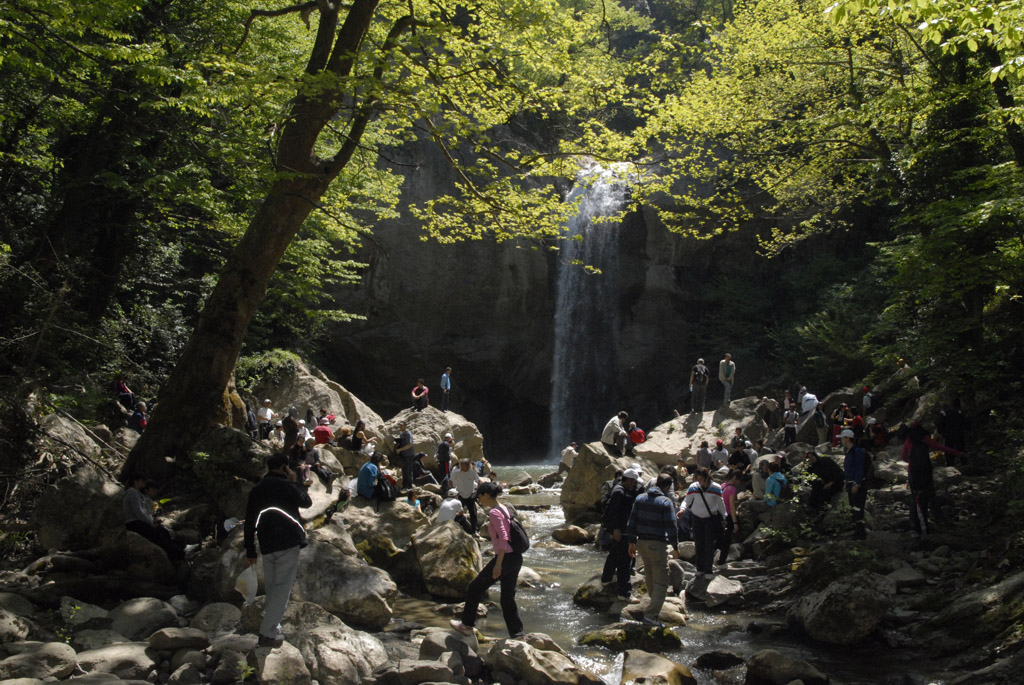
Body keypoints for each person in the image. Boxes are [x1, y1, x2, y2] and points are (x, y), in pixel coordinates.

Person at [244, 453, 312, 647]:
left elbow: (249, 521)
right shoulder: (288, 485)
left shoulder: (258, 489)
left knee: (273, 587)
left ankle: (275, 627)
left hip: (266, 543)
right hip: (288, 542)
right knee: (282, 589)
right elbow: (306, 502)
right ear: (284, 467)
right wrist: (295, 481)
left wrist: (250, 549)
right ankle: (268, 633)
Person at [450, 482, 525, 638]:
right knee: (507, 598)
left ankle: (466, 625)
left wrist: (498, 564)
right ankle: (518, 634)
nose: (478, 499)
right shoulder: (504, 508)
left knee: (474, 588)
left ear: (486, 495)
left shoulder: (494, 513)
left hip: (505, 559)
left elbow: (504, 538)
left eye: (479, 496)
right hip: (515, 558)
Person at [626, 473, 679, 626]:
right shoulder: (666, 502)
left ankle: (652, 605)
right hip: (658, 544)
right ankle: (651, 615)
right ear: (667, 486)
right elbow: (672, 526)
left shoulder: (640, 498)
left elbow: (632, 521)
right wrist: (675, 547)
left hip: (641, 543)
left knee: (649, 575)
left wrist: (631, 542)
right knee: (662, 581)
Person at [903, 423, 964, 536]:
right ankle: (938, 518)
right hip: (926, 471)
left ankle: (914, 525)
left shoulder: (909, 440)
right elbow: (939, 447)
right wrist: (956, 453)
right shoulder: (925, 438)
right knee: (930, 495)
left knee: (915, 498)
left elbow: (904, 457)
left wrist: (912, 462)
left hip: (913, 472)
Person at [123, 476, 196, 563]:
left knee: (162, 531)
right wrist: (151, 523)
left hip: (136, 522)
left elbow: (143, 512)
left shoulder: (136, 493)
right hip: (134, 523)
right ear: (136, 481)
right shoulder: (132, 493)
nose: (144, 483)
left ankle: (182, 548)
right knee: (157, 536)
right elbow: (139, 511)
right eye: (142, 480)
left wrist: (152, 521)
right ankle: (179, 554)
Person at [600, 468, 640, 599]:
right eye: (634, 482)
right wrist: (616, 529)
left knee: (614, 554)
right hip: (621, 531)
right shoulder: (619, 492)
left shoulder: (620, 489)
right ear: (628, 480)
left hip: (621, 529)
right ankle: (625, 593)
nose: (635, 485)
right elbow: (613, 512)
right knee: (625, 560)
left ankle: (606, 579)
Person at [678, 468, 725, 578]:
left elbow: (720, 504)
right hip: (696, 518)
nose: (700, 482)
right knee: (698, 543)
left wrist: (724, 516)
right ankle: (700, 568)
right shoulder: (694, 487)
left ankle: (708, 570)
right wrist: (682, 509)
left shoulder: (716, 488)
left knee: (709, 544)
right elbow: (687, 500)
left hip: (710, 519)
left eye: (701, 480)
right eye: (698, 479)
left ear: (707, 478)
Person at [840, 428, 868, 539]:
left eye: (842, 438)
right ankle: (857, 531)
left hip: (857, 485)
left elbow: (859, 469)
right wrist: (846, 482)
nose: (841, 440)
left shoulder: (857, 451)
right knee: (853, 508)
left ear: (847, 438)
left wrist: (857, 484)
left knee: (858, 508)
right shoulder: (849, 451)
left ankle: (861, 534)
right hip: (850, 483)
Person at [718, 469, 742, 564]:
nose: (739, 483)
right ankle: (721, 562)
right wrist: (735, 523)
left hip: (720, 515)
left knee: (720, 539)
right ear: (735, 478)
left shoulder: (722, 486)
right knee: (726, 541)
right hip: (728, 516)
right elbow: (732, 507)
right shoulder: (732, 489)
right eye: (739, 480)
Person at [452, 458, 481, 532]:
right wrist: (454, 490)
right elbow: (450, 481)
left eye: (463, 465)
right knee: (456, 511)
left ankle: (475, 530)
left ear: (468, 466)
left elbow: (479, 481)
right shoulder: (457, 473)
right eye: (461, 465)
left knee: (473, 513)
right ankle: (454, 527)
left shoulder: (472, 472)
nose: (462, 467)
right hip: (460, 494)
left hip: (470, 495)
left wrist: (478, 491)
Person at [395, 421, 415, 489]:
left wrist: (400, 450)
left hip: (409, 454)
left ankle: (409, 486)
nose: (400, 427)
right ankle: (404, 485)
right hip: (403, 455)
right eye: (400, 425)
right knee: (404, 470)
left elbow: (410, 445)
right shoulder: (401, 434)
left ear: (405, 426)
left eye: (402, 425)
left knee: (408, 470)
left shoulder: (408, 434)